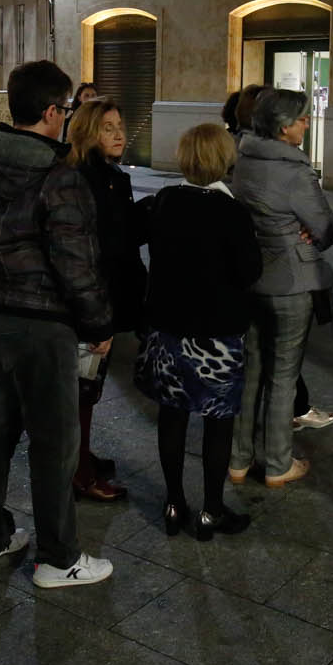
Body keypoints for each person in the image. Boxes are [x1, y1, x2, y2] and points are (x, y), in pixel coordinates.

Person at [0, 59, 116, 588]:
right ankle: (59, 558)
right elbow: (76, 262)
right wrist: (98, 323)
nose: (67, 118)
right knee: (54, 441)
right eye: (66, 109)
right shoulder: (58, 176)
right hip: (41, 323)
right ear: (51, 112)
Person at [138, 124, 263, 539]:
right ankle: (212, 509)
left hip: (168, 329)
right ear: (225, 160)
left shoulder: (165, 201)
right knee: (218, 421)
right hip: (217, 335)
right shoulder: (233, 213)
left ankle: (174, 504)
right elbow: (249, 272)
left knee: (171, 418)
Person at [230, 87, 333, 488]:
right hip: (290, 281)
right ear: (283, 126)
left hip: (252, 277)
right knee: (283, 374)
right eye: (302, 118)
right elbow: (326, 227)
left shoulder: (243, 161)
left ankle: (238, 459)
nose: (307, 124)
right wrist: (307, 233)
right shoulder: (294, 172)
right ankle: (277, 462)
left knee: (252, 368)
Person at [64, 98, 143, 502]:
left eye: (119, 125)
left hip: (104, 300)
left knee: (86, 387)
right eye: (106, 127)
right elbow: (96, 252)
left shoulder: (108, 176)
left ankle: (79, 455)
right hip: (92, 305)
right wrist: (97, 319)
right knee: (83, 387)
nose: (117, 134)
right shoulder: (86, 179)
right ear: (87, 131)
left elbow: (121, 233)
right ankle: (78, 471)